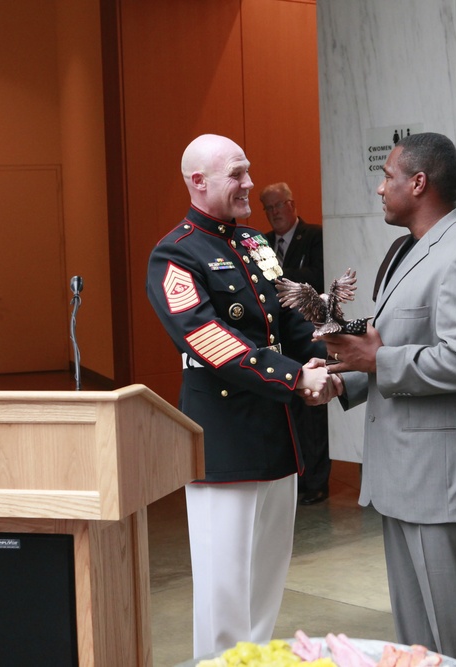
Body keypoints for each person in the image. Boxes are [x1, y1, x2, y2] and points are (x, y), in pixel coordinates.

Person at [316, 132, 456, 667]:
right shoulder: (413, 250)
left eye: (388, 177)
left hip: (447, 485)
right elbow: (395, 346)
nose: (380, 188)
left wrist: (375, 362)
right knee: (419, 642)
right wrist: (346, 377)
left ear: (418, 182)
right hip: (407, 478)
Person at [145, 134, 328, 658]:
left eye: (248, 171)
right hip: (224, 446)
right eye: (237, 174)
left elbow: (289, 321)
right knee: (224, 592)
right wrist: (294, 379)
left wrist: (324, 358)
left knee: (265, 586)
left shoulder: (254, 244)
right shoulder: (175, 253)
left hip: (276, 439)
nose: (250, 183)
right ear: (198, 182)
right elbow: (208, 338)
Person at [260, 182, 331, 505]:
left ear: (291, 204)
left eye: (278, 206)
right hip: (278, 341)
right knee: (286, 412)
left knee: (313, 414)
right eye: (268, 208)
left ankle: (316, 481)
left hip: (309, 334)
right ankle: (295, 478)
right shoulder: (260, 243)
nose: (274, 213)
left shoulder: (315, 235)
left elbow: (317, 275)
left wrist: (278, 278)